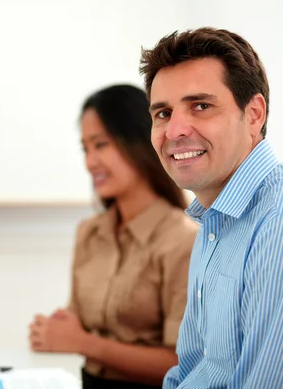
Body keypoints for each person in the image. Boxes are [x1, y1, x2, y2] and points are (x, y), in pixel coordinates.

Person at [28, 84, 198, 389]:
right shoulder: (89, 232)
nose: (90, 162)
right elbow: (77, 325)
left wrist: (83, 343)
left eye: (101, 144)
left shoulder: (183, 239)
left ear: (139, 142)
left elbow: (181, 364)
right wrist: (55, 330)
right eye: (85, 149)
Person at [139, 27, 283, 388]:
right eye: (163, 113)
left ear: (254, 114)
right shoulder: (214, 218)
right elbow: (191, 370)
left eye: (200, 106)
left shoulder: (275, 224)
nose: (174, 131)